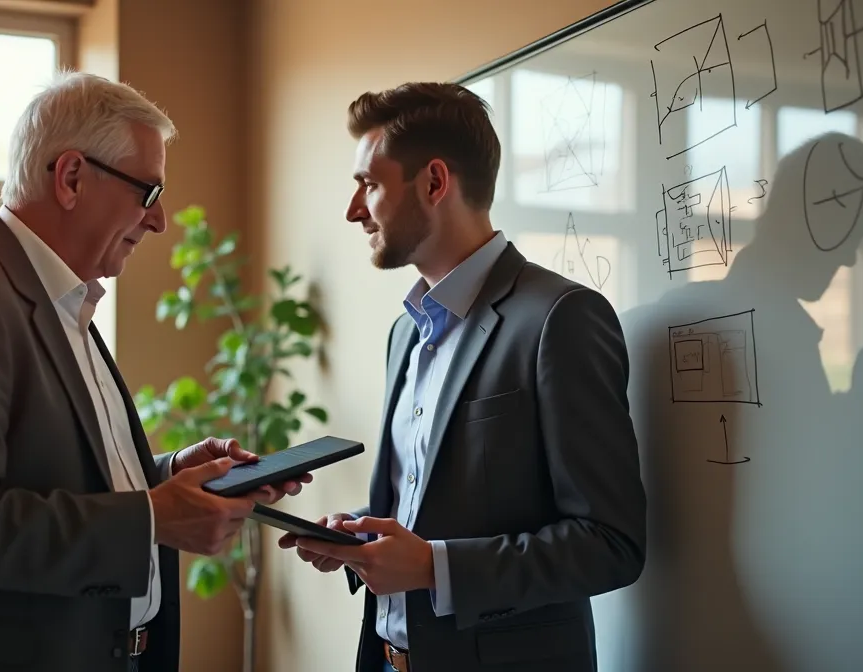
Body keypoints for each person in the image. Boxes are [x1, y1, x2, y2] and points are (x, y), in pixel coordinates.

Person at [0, 70, 307, 672]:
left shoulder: (62, 302)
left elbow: (52, 475)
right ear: (72, 177)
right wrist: (154, 516)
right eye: (148, 193)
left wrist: (169, 477)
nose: (159, 220)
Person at [277, 82, 647, 672]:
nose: (353, 210)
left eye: (369, 184)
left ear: (434, 182)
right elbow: (438, 505)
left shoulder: (561, 318)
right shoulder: (404, 333)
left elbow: (610, 545)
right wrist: (364, 539)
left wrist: (432, 566)